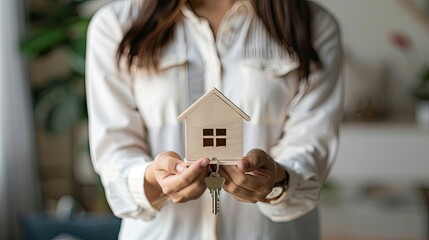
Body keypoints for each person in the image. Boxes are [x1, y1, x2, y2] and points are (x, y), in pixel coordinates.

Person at [86, 0, 343, 239]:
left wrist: (276, 181)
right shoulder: (115, 25)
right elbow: (115, 152)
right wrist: (154, 179)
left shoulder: (314, 25)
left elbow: (309, 146)